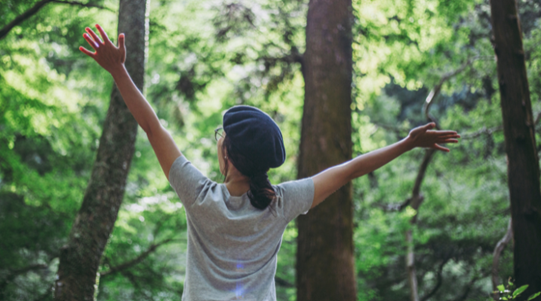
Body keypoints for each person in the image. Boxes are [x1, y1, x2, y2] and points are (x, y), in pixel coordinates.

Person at [80, 24, 460, 301]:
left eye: (220, 136)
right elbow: (351, 169)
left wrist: (118, 70)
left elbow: (151, 126)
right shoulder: (279, 204)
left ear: (227, 151)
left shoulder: (197, 195)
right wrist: (406, 144)